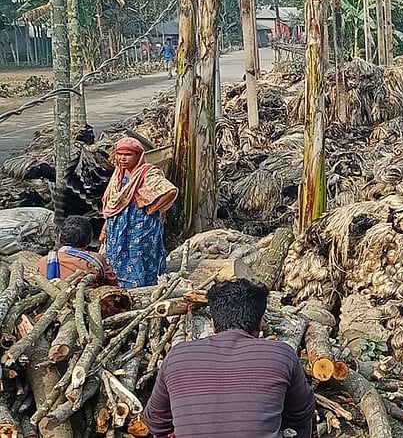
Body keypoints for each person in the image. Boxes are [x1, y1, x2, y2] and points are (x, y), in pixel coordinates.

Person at [144, 279, 315, 438]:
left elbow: (156, 423)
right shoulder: (282, 355)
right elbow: (301, 414)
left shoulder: (177, 357)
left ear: (212, 323)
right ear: (260, 323)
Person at [100, 137, 177, 288]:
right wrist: (104, 229)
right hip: (117, 227)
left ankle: (144, 289)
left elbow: (170, 191)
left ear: (138, 155)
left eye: (128, 155)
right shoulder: (117, 175)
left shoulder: (147, 173)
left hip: (141, 226)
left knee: (140, 254)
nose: (122, 158)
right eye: (119, 154)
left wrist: (152, 209)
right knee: (117, 255)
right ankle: (119, 289)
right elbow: (112, 205)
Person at [39, 215, 118, 286]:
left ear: (59, 238)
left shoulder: (44, 262)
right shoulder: (95, 260)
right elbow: (112, 282)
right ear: (89, 240)